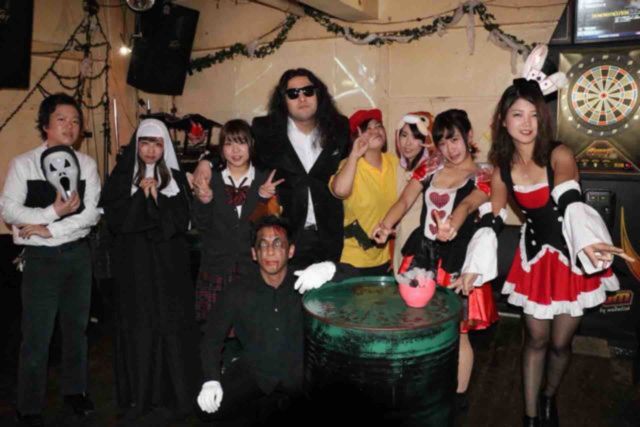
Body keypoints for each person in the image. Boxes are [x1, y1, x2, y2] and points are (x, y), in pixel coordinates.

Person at [456, 78, 632, 426]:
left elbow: (568, 195)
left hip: (571, 258)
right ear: (503, 120)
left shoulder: (558, 153)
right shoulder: (502, 167)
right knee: (535, 339)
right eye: (517, 114)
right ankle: (531, 416)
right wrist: (474, 263)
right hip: (535, 258)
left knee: (561, 343)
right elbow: (494, 215)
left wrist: (588, 238)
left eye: (534, 115)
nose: (526, 123)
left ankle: (549, 396)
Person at [372, 109, 498, 410]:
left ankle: (458, 399)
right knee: (414, 323)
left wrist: (452, 224)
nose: (449, 149)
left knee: (459, 331)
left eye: (454, 140)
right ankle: (420, 387)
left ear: (468, 136)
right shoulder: (430, 167)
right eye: (442, 142)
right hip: (423, 255)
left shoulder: (483, 174)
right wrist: (385, 225)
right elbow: (405, 199)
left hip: (457, 260)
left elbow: (469, 205)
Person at [0, 93, 101, 426]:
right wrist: (52, 212)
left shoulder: (86, 165)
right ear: (45, 124)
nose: (70, 127)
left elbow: (90, 215)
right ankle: (29, 406)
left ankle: (75, 392)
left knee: (76, 330)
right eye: (61, 120)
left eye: (75, 121)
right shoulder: (23, 163)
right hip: (40, 261)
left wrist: (49, 229)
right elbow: (9, 211)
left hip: (77, 256)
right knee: (36, 335)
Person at [197, 215, 355, 425]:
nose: (270, 251)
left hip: (300, 373)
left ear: (291, 251)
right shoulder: (238, 290)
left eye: (278, 244)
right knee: (206, 410)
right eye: (263, 245)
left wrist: (329, 269)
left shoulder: (306, 280)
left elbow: (357, 278)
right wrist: (211, 379)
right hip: (256, 370)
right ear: (254, 254)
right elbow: (211, 339)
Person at [193, 68, 350, 268]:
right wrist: (207, 162)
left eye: (308, 91)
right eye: (293, 93)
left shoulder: (339, 127)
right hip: (286, 236)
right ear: (283, 99)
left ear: (318, 93)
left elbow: (354, 163)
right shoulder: (265, 130)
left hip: (330, 234)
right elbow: (238, 148)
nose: (302, 98)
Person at [100, 119, 200, 425]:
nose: (151, 150)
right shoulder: (121, 178)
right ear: (136, 145)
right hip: (135, 267)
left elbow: (183, 222)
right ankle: (139, 396)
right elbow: (116, 223)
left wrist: (157, 198)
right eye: (145, 143)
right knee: (140, 325)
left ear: (164, 147)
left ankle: (176, 394)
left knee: (171, 323)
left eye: (157, 144)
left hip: (170, 267)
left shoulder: (177, 179)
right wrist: (139, 198)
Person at [191, 119, 279, 323]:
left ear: (251, 145)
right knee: (214, 331)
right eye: (229, 143)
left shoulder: (265, 179)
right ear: (221, 149)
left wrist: (262, 199)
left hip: (253, 268)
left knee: (253, 329)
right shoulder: (210, 178)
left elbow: (266, 229)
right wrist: (205, 201)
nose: (235, 150)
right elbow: (201, 226)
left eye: (241, 142)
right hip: (216, 267)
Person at [329, 109, 398, 275]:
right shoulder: (349, 165)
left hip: (386, 259)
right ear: (356, 137)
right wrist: (354, 155)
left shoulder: (394, 163)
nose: (375, 131)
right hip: (352, 260)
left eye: (379, 126)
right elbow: (340, 191)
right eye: (368, 129)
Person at [392, 111, 436, 272]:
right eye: (404, 135)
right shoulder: (398, 168)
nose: (408, 143)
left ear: (426, 140)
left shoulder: (431, 171)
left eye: (416, 136)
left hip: (421, 247)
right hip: (401, 241)